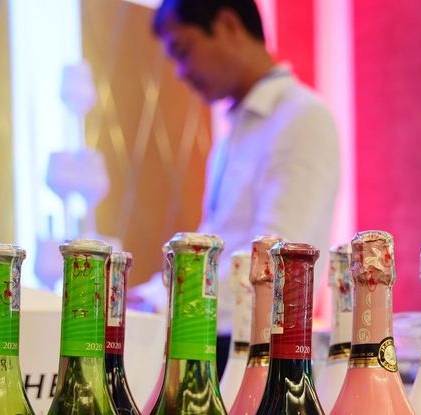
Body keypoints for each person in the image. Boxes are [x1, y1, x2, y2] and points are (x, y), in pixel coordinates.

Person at [142, 0, 340, 352]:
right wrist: (150, 295)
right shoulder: (233, 132)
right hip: (215, 335)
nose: (180, 72)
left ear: (228, 25)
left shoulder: (302, 117)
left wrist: (164, 300)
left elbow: (278, 260)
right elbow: (214, 245)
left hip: (260, 346)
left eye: (182, 51)